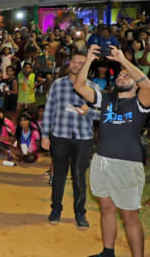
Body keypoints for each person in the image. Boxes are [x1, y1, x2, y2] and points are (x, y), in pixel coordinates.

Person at [74, 45, 149, 257]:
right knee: (106, 209)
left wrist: (123, 61)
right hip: (101, 162)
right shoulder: (107, 99)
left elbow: (148, 85)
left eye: (127, 76)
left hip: (127, 166)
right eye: (120, 75)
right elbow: (79, 86)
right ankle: (108, 252)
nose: (121, 77)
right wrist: (88, 59)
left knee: (129, 218)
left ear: (135, 85)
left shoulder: (140, 102)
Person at [40, 53, 100, 229]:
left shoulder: (93, 88)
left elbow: (101, 114)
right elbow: (49, 110)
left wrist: (88, 111)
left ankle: (80, 212)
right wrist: (45, 135)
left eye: (81, 62)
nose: (76, 65)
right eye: (73, 61)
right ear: (69, 64)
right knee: (58, 174)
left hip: (83, 138)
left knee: (79, 176)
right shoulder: (58, 85)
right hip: (60, 135)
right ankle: (56, 209)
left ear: (87, 66)